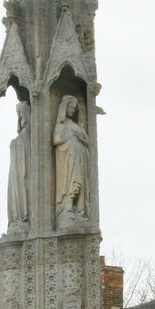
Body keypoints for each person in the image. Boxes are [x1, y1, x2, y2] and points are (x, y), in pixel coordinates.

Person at [53, 95, 89, 227]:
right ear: (65, 107)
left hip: (79, 159)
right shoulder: (62, 124)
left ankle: (79, 211)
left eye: (74, 108)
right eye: (71, 107)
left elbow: (87, 141)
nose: (72, 110)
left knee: (78, 184)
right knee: (71, 184)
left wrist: (79, 137)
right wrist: (72, 137)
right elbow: (56, 140)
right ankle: (66, 209)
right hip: (68, 159)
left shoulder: (75, 125)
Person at [6, 100, 31, 233]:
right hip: (17, 175)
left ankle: (22, 218)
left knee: (23, 189)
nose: (20, 118)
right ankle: (17, 219)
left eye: (21, 115)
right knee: (17, 190)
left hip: (24, 174)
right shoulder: (20, 139)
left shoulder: (27, 137)